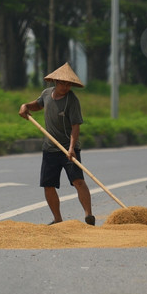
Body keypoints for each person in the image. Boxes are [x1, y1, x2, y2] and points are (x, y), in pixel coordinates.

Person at [18, 62, 96, 226]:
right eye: (63, 83)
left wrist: (71, 148)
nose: (66, 87)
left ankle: (89, 215)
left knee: (78, 181)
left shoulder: (71, 100)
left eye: (69, 84)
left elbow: (75, 126)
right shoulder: (47, 94)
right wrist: (25, 106)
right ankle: (58, 219)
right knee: (48, 185)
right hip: (50, 149)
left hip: (68, 148)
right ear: (55, 82)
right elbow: (38, 105)